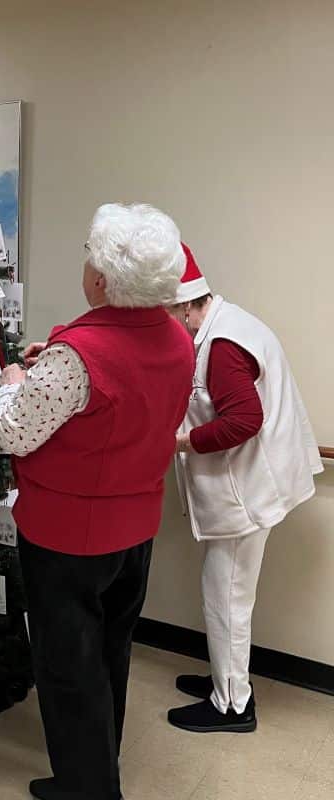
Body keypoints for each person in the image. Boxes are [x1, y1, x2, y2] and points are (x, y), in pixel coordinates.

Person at [0, 204, 194, 800]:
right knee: (110, 656)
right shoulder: (178, 338)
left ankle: (88, 789)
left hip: (67, 534)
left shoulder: (79, 355)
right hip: (136, 526)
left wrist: (12, 383)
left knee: (68, 669)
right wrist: (46, 368)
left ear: (102, 279)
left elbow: (13, 431)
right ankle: (99, 767)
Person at [165, 244, 322, 733]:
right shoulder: (225, 322)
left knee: (227, 598)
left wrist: (183, 442)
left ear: (188, 303)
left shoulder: (224, 344)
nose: (169, 326)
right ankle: (224, 679)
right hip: (250, 485)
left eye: (170, 314)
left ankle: (232, 704)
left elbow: (245, 420)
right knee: (224, 594)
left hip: (246, 494)